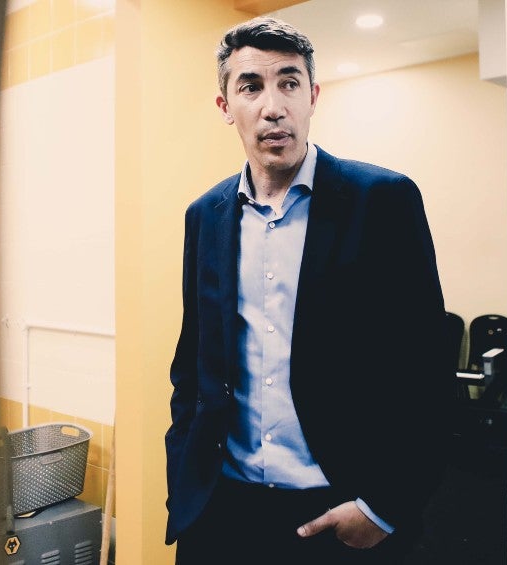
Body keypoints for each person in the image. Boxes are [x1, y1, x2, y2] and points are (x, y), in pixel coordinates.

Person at [164, 17, 451, 564]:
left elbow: (426, 371)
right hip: (221, 512)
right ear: (226, 106)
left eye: (289, 83)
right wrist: (185, 481)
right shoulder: (205, 215)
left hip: (338, 511)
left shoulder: (382, 201)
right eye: (251, 86)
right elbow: (194, 362)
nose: (273, 107)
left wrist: (384, 508)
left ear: (313, 96)